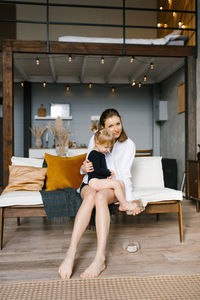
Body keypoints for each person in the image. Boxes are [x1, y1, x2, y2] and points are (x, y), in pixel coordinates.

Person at [58, 108, 144, 280]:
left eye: (118, 123)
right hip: (90, 182)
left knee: (99, 196)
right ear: (102, 128)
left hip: (111, 186)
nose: (115, 129)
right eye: (110, 125)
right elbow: (88, 167)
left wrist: (128, 200)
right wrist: (83, 168)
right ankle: (71, 253)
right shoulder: (95, 139)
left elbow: (125, 175)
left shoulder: (129, 145)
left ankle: (99, 258)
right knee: (90, 196)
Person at [88, 128, 144, 214]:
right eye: (106, 147)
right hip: (94, 181)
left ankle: (124, 202)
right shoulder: (94, 154)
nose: (108, 150)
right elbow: (97, 169)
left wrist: (106, 176)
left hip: (99, 179)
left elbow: (101, 168)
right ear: (97, 143)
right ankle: (124, 205)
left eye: (110, 147)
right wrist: (108, 172)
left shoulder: (101, 153)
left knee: (121, 183)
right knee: (116, 184)